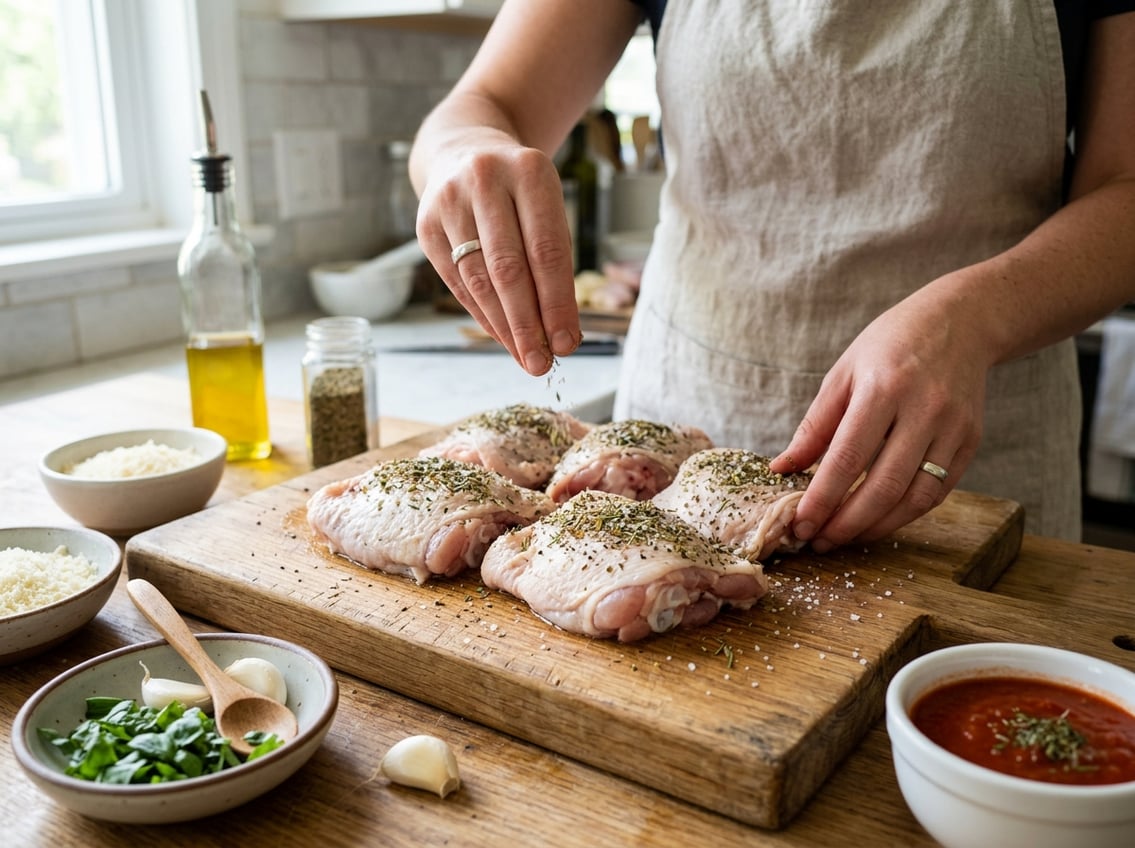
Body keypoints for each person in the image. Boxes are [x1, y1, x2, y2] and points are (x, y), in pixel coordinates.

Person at [409, 1, 1135, 549]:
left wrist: (973, 317)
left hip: (964, 447)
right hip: (681, 424)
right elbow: (483, 104)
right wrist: (459, 150)